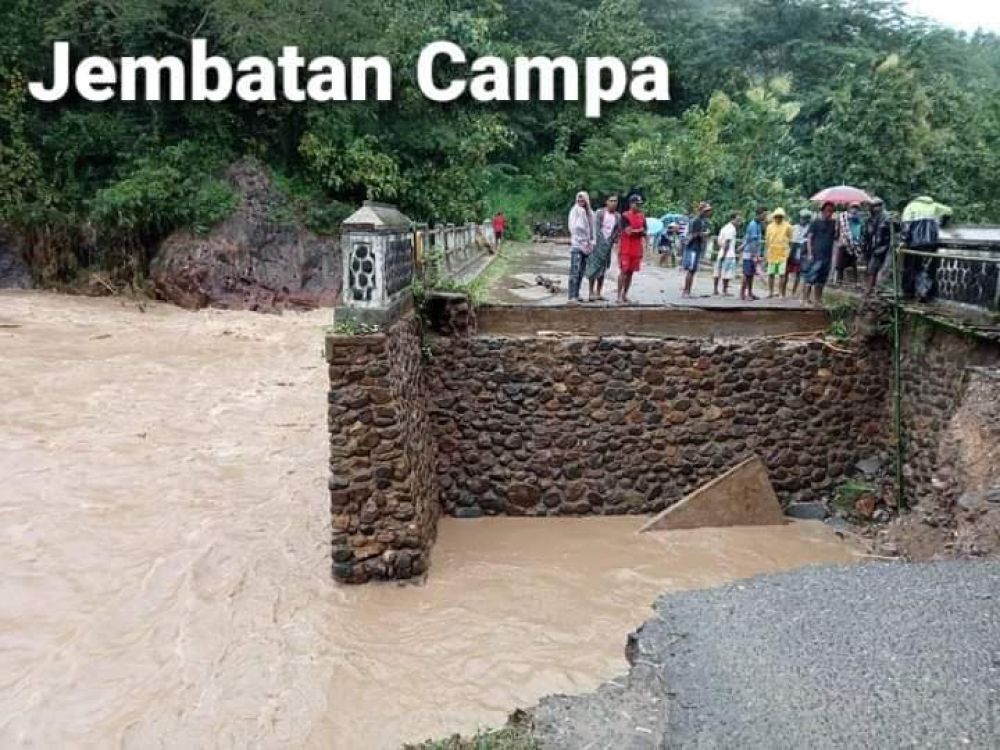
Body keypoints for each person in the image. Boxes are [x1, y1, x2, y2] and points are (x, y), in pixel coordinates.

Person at [586, 193, 621, 302]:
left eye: (615, 201)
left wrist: (612, 241)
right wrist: (600, 242)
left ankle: (598, 292)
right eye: (611, 201)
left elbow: (616, 231)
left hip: (608, 246)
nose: (613, 203)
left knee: (603, 269)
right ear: (606, 202)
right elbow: (596, 229)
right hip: (597, 245)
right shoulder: (600, 213)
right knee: (593, 268)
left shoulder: (617, 216)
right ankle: (590, 292)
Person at [802, 201, 838, 306]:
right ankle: (805, 299)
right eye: (827, 211)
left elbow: (836, 237)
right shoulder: (815, 222)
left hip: (827, 255)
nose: (829, 213)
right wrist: (810, 253)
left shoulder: (834, 223)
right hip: (816, 254)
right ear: (822, 211)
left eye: (831, 211)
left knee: (821, 279)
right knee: (810, 277)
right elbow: (809, 238)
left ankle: (818, 300)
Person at [618, 193, 646, 304]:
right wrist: (639, 231)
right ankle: (618, 295)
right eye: (636, 204)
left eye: (640, 204)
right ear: (631, 204)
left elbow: (645, 231)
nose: (638, 206)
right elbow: (628, 232)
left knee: (630, 273)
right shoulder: (625, 216)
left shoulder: (642, 216)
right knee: (623, 271)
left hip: (636, 248)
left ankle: (625, 295)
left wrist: (638, 232)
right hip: (626, 248)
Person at [567, 191, 594, 303]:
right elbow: (574, 228)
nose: (580, 201)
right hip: (577, 244)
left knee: (581, 271)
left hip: (587, 245)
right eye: (579, 199)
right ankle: (571, 296)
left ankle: (576, 294)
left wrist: (591, 242)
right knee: (575, 270)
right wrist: (581, 238)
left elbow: (592, 229)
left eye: (583, 199)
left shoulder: (590, 213)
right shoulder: (575, 211)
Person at [862, 197, 891, 295]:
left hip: (883, 247)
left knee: (877, 270)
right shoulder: (869, 220)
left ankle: (873, 290)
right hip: (871, 248)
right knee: (870, 270)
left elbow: (894, 230)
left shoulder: (887, 218)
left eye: (878, 206)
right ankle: (870, 290)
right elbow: (866, 235)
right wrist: (864, 248)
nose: (875, 208)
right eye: (873, 206)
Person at [682, 201, 712, 298]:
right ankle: (686, 291)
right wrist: (703, 234)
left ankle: (688, 290)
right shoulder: (696, 221)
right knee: (691, 270)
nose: (708, 213)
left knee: (693, 270)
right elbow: (694, 234)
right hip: (693, 247)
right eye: (706, 211)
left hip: (697, 247)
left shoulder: (703, 221)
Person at [764, 207, 793, 298]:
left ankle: (780, 292)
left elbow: (790, 240)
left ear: (783, 217)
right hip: (772, 253)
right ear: (774, 217)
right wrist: (766, 252)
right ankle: (770, 292)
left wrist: (789, 252)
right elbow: (767, 241)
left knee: (782, 274)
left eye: (780, 216)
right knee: (770, 274)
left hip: (783, 253)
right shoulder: (769, 227)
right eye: (776, 216)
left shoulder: (788, 226)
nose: (778, 218)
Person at [741, 206, 767, 301]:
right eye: (764, 215)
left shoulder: (758, 224)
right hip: (749, 253)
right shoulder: (753, 225)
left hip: (754, 252)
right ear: (759, 214)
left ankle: (750, 293)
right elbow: (752, 242)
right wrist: (755, 255)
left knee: (751, 274)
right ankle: (742, 293)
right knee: (747, 274)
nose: (765, 217)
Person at [713, 212, 741, 297]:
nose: (738, 222)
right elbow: (727, 242)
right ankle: (724, 290)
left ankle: (715, 289)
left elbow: (719, 241)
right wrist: (725, 254)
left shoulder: (724, 228)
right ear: (732, 219)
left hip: (721, 252)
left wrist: (722, 251)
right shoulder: (731, 229)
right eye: (737, 220)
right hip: (728, 254)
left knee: (717, 271)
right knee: (727, 272)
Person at [834, 202, 862, 285]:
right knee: (840, 264)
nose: (854, 209)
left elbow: (859, 231)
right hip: (843, 242)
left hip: (854, 244)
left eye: (856, 208)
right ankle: (839, 282)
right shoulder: (842, 217)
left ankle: (855, 282)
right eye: (853, 207)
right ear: (849, 208)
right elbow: (837, 229)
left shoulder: (858, 219)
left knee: (854, 264)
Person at [787, 210, 810, 296]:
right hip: (793, 249)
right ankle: (785, 292)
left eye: (805, 218)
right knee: (787, 271)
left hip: (802, 250)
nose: (802, 219)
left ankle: (794, 292)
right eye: (801, 218)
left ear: (808, 219)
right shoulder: (794, 227)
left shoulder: (809, 228)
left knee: (799, 272)